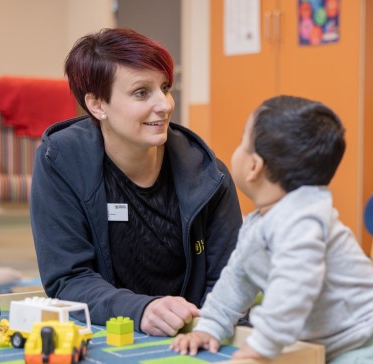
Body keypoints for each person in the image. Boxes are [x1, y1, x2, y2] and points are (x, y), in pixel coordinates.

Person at [30, 28, 243, 336]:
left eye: (165, 87)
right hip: (106, 332)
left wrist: (205, 331)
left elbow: (230, 279)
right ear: (97, 105)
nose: (165, 104)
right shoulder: (61, 161)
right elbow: (68, 278)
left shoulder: (209, 174)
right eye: (142, 92)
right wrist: (140, 310)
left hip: (194, 333)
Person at [170, 95, 373, 363]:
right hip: (334, 344)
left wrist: (260, 349)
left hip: (370, 342)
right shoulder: (261, 221)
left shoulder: (301, 219)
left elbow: (293, 288)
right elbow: (236, 280)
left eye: (241, 141)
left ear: (254, 166)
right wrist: (209, 327)